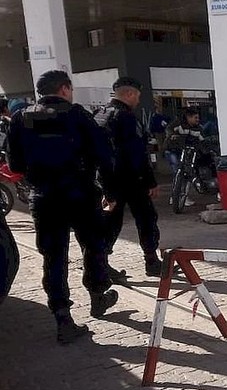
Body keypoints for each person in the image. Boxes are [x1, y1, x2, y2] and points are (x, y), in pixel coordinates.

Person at [6, 70, 119, 343]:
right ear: (65, 88)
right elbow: (104, 156)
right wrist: (110, 191)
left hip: (44, 197)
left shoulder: (21, 118)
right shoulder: (78, 116)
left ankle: (62, 317)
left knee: (54, 256)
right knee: (94, 246)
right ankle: (97, 295)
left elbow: (15, 165)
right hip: (80, 194)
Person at [94, 77, 162, 279]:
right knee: (146, 217)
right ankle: (151, 261)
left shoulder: (100, 115)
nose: (139, 101)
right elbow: (137, 154)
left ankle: (101, 264)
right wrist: (150, 181)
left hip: (106, 180)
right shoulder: (125, 117)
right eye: (138, 96)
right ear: (129, 94)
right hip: (131, 180)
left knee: (110, 222)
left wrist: (104, 185)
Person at [165, 107, 204, 207]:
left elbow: (202, 140)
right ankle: (175, 196)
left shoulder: (198, 128)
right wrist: (172, 135)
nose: (197, 120)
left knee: (187, 172)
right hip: (173, 150)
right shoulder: (178, 124)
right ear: (188, 117)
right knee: (178, 171)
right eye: (195, 117)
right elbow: (169, 129)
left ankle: (181, 196)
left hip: (187, 151)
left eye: (198, 117)